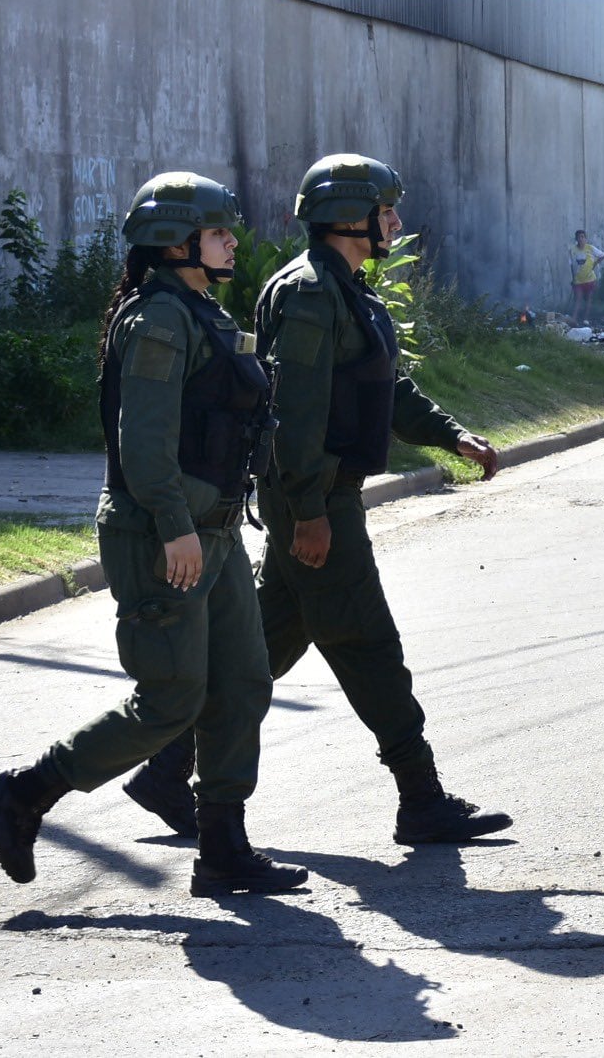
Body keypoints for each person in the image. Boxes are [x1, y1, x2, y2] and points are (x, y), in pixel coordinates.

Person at [124, 155, 511, 847]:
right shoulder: (308, 295)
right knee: (368, 644)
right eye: (384, 210)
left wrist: (453, 436)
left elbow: (382, 389)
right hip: (316, 499)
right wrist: (306, 512)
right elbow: (296, 416)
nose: (395, 220)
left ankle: (167, 767)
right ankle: (419, 796)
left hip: (321, 496)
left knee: (262, 648)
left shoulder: (347, 292)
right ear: (346, 218)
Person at [0, 173, 305, 896]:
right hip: (165, 535)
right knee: (170, 699)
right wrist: (175, 528)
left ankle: (222, 848)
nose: (231, 242)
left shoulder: (200, 312)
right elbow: (144, 447)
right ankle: (25, 792)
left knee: (243, 682)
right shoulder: (157, 319)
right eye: (218, 232)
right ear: (177, 242)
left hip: (212, 534)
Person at [570, 229, 604, 323]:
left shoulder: (590, 248)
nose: (581, 239)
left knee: (589, 299)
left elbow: (603, 255)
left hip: (590, 279)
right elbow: (571, 265)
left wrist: (595, 264)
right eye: (579, 237)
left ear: (585, 238)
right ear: (576, 239)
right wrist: (573, 278)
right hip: (578, 280)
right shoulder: (573, 250)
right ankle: (574, 318)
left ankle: (585, 319)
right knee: (578, 299)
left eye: (583, 237)